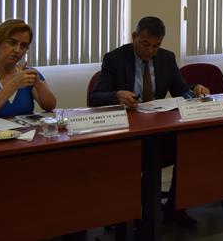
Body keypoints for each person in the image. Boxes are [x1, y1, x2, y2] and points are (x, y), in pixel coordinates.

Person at [90, 16, 210, 227]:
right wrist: (116, 95)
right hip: (127, 134)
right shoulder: (115, 58)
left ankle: (174, 209)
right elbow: (95, 97)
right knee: (150, 156)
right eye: (145, 44)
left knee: (189, 147)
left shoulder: (166, 58)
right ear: (134, 36)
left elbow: (180, 89)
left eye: (156, 46)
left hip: (156, 127)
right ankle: (142, 217)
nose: (150, 51)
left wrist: (195, 90)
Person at [0, 19, 57, 120]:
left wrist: (38, 84)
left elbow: (50, 106)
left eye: (23, 46)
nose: (17, 50)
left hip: (23, 130)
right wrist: (15, 83)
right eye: (12, 43)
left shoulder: (27, 74)